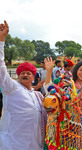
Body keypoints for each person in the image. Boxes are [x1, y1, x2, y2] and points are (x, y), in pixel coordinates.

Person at [0, 20, 47, 150]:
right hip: (12, 145)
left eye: (29, 73)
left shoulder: (37, 96)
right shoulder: (12, 88)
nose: (25, 75)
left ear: (33, 77)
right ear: (18, 76)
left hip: (36, 145)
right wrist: (1, 41)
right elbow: (1, 67)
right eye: (22, 73)